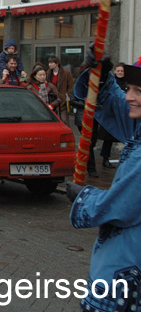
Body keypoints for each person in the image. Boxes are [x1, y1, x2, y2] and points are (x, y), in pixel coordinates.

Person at [66, 54, 141, 312]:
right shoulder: (138, 127)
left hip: (127, 283)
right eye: (130, 88)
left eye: (138, 91)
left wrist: (83, 197)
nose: (129, 96)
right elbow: (111, 102)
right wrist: (102, 76)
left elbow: (122, 206)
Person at [46, 56, 74, 126]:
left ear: (57, 63)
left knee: (64, 120)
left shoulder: (66, 73)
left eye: (51, 63)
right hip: (52, 99)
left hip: (62, 99)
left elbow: (70, 85)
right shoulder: (48, 73)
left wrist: (67, 95)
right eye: (49, 63)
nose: (49, 64)